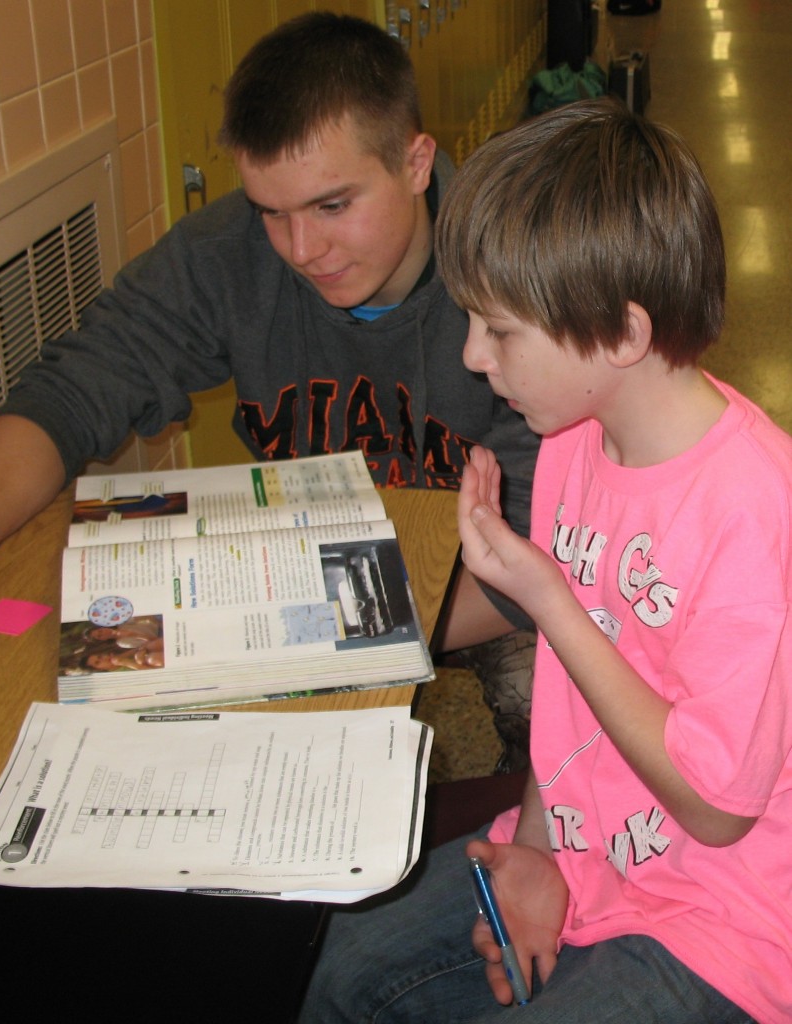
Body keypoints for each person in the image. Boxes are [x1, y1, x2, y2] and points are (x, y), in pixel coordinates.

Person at [0, 12, 540, 769]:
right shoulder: (225, 254)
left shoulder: (515, 275)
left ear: (415, 162)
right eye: (272, 211)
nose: (303, 250)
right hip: (313, 560)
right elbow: (70, 391)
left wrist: (345, 643)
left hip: (492, 578)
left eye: (333, 205)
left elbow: (554, 546)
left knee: (563, 729)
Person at [298, 98, 791, 1024]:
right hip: (586, 847)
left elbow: (718, 811)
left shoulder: (754, 511)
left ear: (622, 335)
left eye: (500, 329)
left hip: (725, 916)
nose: (474, 356)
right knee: (337, 969)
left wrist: (545, 596)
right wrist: (533, 846)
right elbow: (570, 708)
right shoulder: (575, 436)